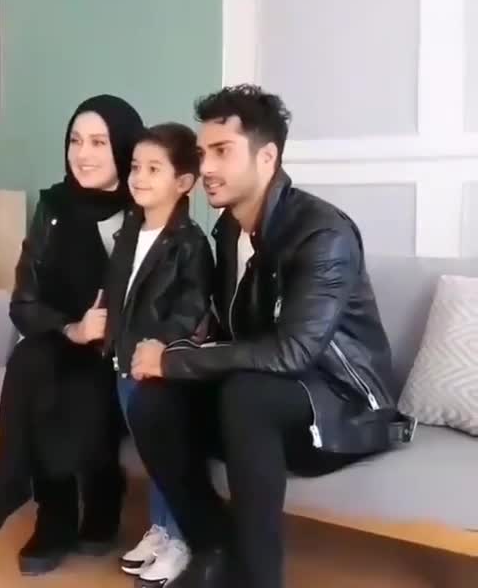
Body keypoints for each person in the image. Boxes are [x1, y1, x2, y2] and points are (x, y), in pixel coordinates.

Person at [126, 85, 416, 588]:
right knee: (152, 401)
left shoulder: (321, 233)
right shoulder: (228, 231)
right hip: (263, 398)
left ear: (267, 157)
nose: (207, 167)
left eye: (222, 151)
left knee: (246, 395)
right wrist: (169, 355)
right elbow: (230, 331)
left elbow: (293, 351)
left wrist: (172, 360)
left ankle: (258, 578)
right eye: (202, 153)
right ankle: (214, 547)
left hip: (347, 409)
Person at [0, 94, 144, 576]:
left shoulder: (145, 207)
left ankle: (103, 495)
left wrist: (108, 329)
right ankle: (53, 514)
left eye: (98, 142)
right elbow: (24, 301)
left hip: (119, 347)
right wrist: (70, 328)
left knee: (89, 379)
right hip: (60, 336)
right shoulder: (53, 207)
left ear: (123, 147)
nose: (83, 154)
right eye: (76, 141)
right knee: (31, 363)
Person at [103, 123, 214, 587]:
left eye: (153, 169)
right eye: (135, 167)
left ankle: (180, 539)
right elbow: (118, 293)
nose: (139, 177)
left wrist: (159, 350)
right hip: (122, 362)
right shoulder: (129, 232)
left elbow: (190, 310)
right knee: (150, 456)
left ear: (184, 182)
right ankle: (160, 530)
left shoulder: (191, 244)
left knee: (167, 454)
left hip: (157, 371)